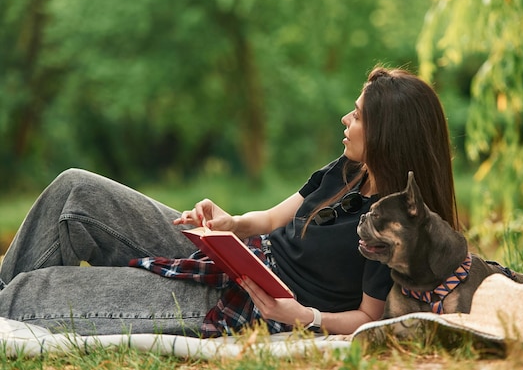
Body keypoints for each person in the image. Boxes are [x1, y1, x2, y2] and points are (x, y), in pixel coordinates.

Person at [0, 66, 458, 337]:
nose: (345, 118)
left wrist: (304, 316)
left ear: (387, 136)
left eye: (356, 115)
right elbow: (275, 217)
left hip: (253, 302)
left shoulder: (395, 231)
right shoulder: (349, 169)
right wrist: (231, 223)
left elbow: (367, 318)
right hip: (242, 256)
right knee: (76, 191)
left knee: (33, 293)